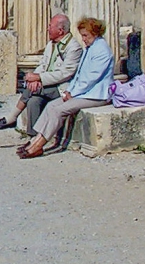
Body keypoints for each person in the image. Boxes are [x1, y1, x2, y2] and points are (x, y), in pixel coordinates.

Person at [16, 17, 115, 160]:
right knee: (51, 106)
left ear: (95, 33)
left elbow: (90, 78)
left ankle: (38, 146)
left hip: (96, 95)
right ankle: (34, 140)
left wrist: (73, 93)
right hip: (84, 92)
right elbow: (79, 75)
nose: (84, 39)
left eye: (86, 36)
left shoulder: (102, 51)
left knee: (59, 110)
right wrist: (69, 91)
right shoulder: (91, 48)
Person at [0, 14, 83, 136]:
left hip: (62, 88)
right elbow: (43, 65)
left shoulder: (74, 48)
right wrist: (35, 76)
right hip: (47, 86)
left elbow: (65, 74)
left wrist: (39, 78)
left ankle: (12, 117)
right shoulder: (51, 44)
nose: (47, 29)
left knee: (33, 89)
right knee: (34, 101)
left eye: (50, 26)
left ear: (60, 31)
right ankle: (32, 138)